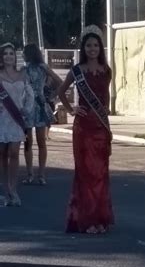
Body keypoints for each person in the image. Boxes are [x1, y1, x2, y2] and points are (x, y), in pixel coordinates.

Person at [57, 26, 114, 234]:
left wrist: (106, 113)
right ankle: (86, 219)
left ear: (100, 47)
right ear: (84, 47)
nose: (92, 49)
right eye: (89, 45)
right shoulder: (77, 70)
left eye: (96, 45)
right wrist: (72, 109)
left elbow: (105, 97)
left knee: (101, 173)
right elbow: (61, 91)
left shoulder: (106, 70)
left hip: (100, 126)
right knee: (86, 173)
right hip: (83, 127)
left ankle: (100, 219)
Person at [23, 43, 62, 185]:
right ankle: (30, 173)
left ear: (30, 53)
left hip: (39, 105)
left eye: (25, 52)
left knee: (40, 141)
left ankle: (41, 174)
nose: (23, 55)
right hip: (27, 107)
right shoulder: (23, 69)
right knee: (28, 141)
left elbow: (59, 81)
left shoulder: (43, 67)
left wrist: (52, 96)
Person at [0, 43, 34, 206]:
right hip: (1, 119)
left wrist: (26, 109)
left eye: (11, 54)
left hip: (16, 119)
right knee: (2, 155)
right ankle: (5, 189)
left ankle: (13, 189)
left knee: (14, 152)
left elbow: (30, 95)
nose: (8, 56)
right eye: (5, 54)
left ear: (15, 57)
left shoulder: (22, 75)